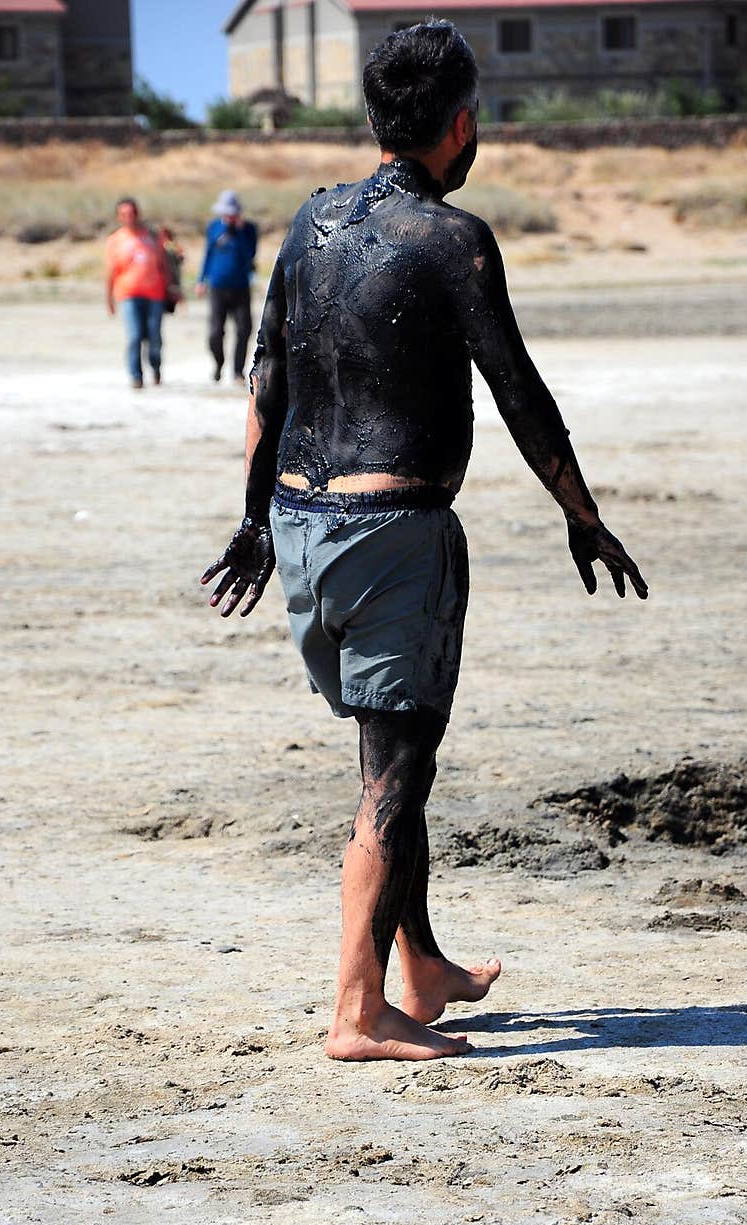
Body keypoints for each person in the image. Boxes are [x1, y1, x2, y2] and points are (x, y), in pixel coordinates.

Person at [201, 20, 648, 1063]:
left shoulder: (306, 225)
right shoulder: (453, 240)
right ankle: (357, 1016)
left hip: (305, 531)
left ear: (373, 119)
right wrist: (582, 516)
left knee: (391, 761)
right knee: (391, 785)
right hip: (395, 532)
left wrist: (252, 518)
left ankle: (424, 966)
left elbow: (267, 378)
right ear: (461, 125)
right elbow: (521, 392)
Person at [105, 197, 169, 389]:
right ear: (118, 217)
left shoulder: (151, 236)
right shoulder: (115, 240)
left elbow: (164, 264)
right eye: (124, 214)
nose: (129, 217)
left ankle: (156, 369)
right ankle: (136, 376)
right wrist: (108, 299)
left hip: (155, 294)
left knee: (154, 337)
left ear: (137, 214)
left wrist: (172, 290)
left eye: (132, 213)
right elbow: (110, 272)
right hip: (127, 294)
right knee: (134, 336)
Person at [195, 191, 257, 385]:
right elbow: (208, 254)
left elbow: (251, 254)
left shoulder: (249, 230)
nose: (229, 217)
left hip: (241, 287)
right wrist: (200, 280)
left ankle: (238, 370)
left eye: (232, 213)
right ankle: (218, 364)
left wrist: (239, 231)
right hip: (217, 287)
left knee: (244, 329)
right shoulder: (214, 227)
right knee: (215, 332)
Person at [158, 225, 185, 316]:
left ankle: (182, 309)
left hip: (174, 272)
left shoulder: (173, 245)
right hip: (164, 273)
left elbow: (181, 258)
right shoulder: (159, 245)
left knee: (176, 290)